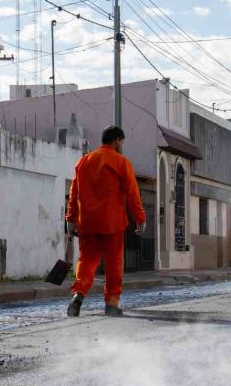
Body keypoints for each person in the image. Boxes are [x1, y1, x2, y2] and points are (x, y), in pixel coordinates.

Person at [65, 125, 146, 318]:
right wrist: (140, 219)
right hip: (112, 223)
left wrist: (71, 219)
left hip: (88, 223)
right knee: (113, 263)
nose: (122, 146)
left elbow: (73, 193)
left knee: (86, 260)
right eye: (122, 142)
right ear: (117, 140)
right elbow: (133, 194)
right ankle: (111, 303)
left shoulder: (84, 161)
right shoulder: (121, 162)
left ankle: (78, 294)